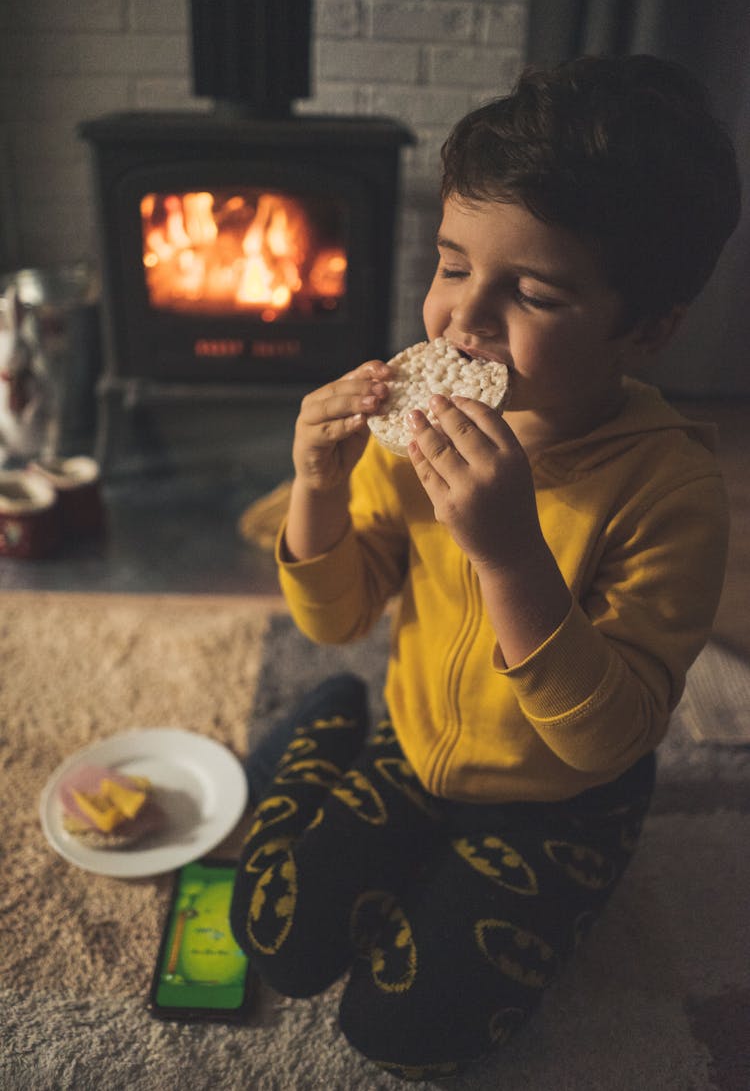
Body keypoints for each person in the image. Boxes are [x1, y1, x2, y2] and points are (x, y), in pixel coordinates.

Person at [230, 54, 740, 1080]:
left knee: (405, 1034)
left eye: (532, 293)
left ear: (644, 330)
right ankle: (329, 723)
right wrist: (319, 486)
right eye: (453, 264)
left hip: (564, 797)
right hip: (417, 744)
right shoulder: (419, 433)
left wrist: (510, 556)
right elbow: (337, 617)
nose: (463, 321)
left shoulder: (669, 490)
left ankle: (340, 752)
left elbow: (613, 731)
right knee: (273, 939)